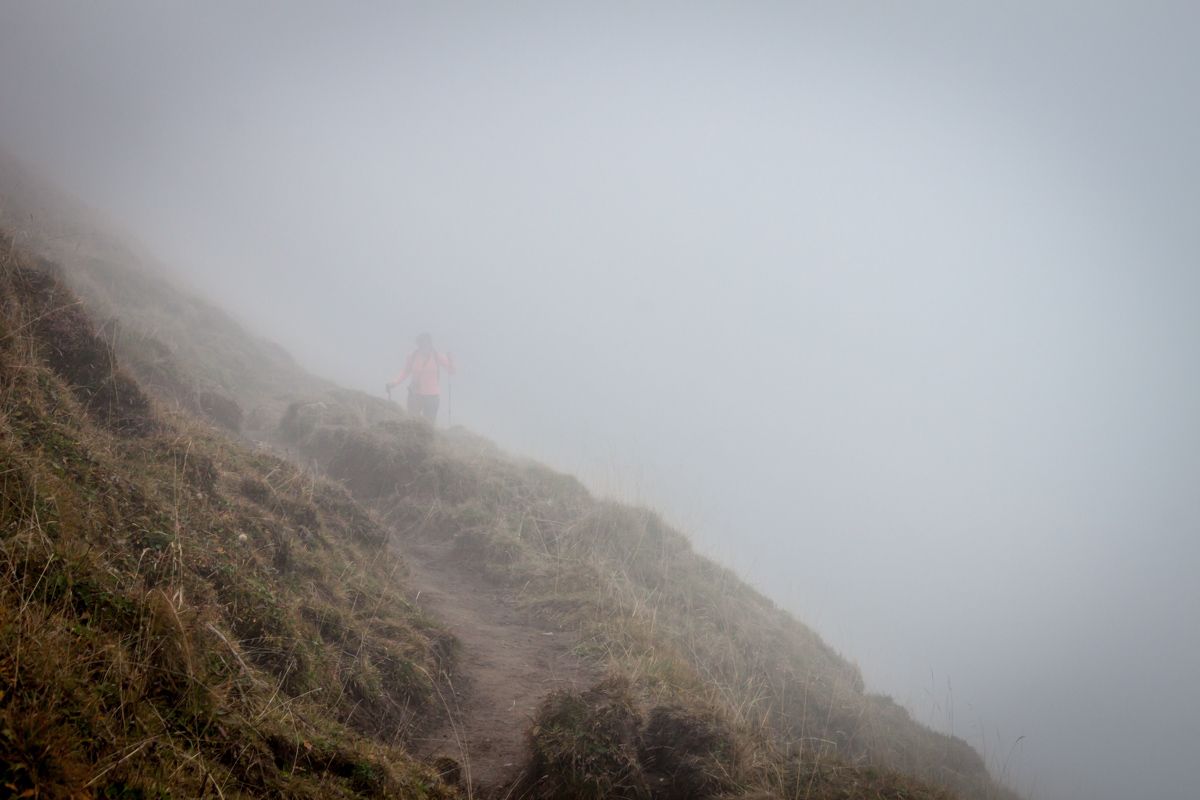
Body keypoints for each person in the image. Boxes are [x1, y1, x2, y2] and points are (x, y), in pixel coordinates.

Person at [386, 333, 455, 423]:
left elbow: (452, 371)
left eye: (426, 343)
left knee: (429, 424)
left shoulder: (437, 356)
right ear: (418, 344)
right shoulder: (412, 356)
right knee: (412, 421)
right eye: (421, 344)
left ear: (430, 343)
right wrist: (394, 383)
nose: (424, 346)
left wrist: (451, 360)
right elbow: (405, 371)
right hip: (415, 394)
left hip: (432, 396)